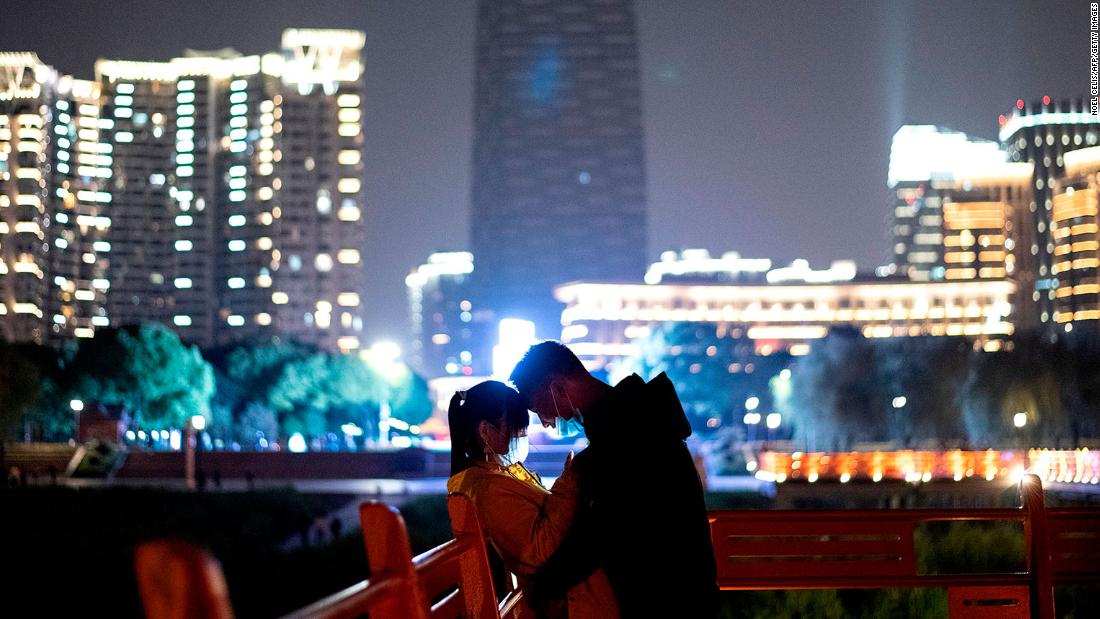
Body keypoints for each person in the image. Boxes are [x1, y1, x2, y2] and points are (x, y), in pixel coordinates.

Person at [510, 341, 719, 618]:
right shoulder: (636, 418)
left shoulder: (625, 434)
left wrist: (546, 584)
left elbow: (603, 527)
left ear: (557, 387)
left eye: (541, 409)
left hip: (667, 597)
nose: (547, 421)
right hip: (682, 589)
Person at [446, 380, 619, 619]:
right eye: (517, 427)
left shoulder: (496, 478)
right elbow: (539, 551)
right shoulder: (488, 487)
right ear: (485, 431)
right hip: (575, 606)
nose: (522, 435)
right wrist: (571, 481)